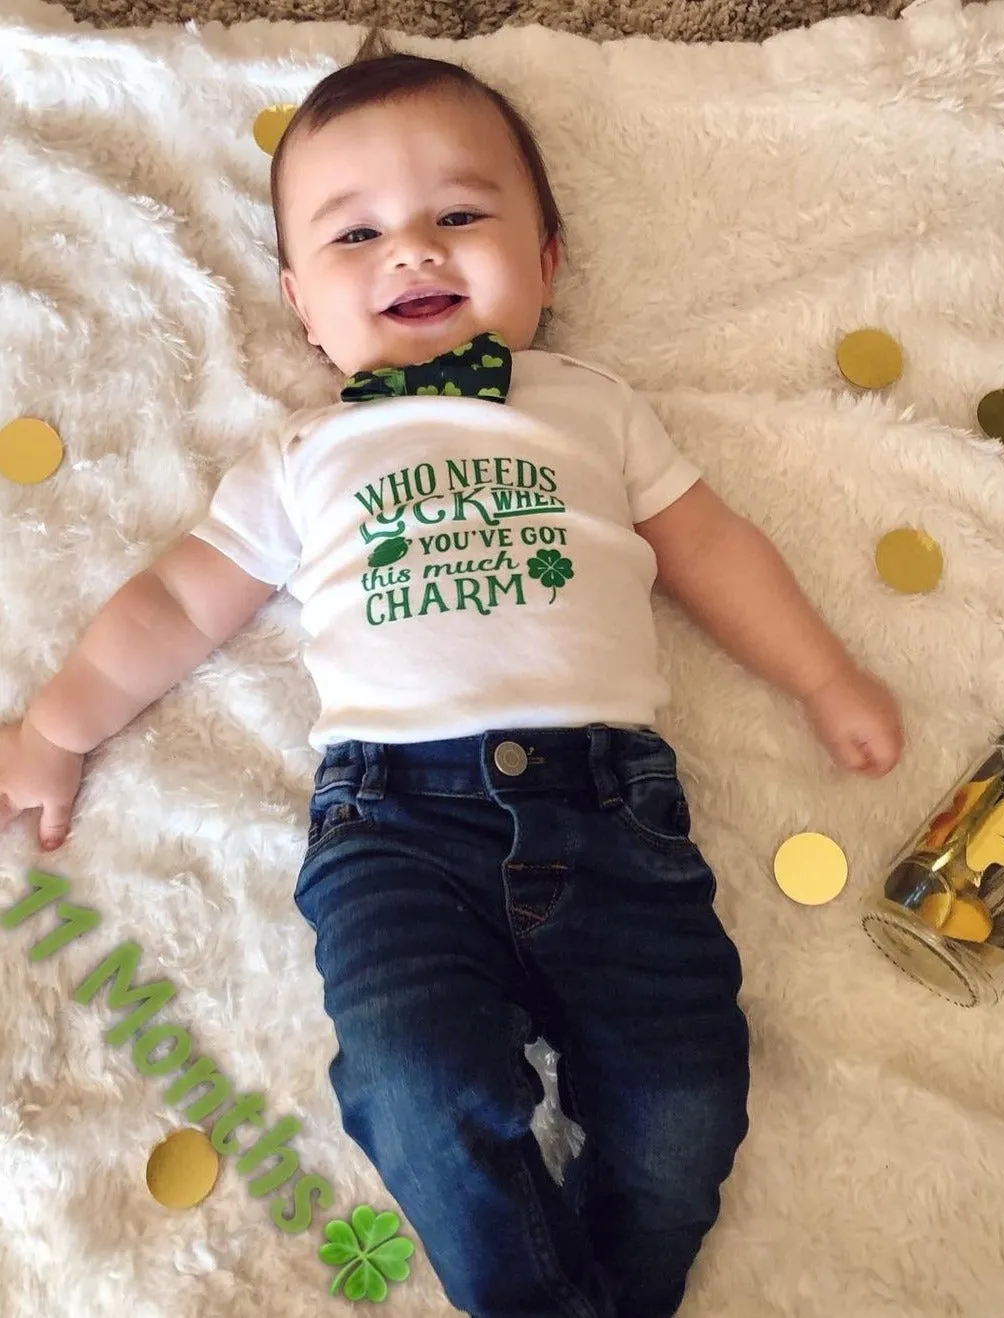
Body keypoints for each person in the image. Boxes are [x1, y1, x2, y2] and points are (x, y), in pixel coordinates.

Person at [0, 30, 903, 1318]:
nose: (414, 251)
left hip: (614, 812)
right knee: (417, 1085)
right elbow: (175, 601)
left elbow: (709, 547)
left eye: (460, 215)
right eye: (354, 236)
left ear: (545, 263)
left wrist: (823, 676)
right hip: (395, 825)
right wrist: (55, 725)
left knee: (689, 1093)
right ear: (302, 305)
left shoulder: (591, 405)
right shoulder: (304, 456)